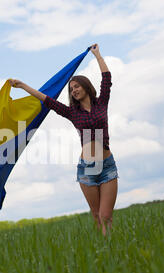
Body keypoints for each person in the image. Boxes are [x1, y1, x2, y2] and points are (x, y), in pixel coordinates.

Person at [9, 44, 118, 236]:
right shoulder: (71, 113)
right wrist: (24, 86)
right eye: (71, 89)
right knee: (96, 216)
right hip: (87, 169)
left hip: (107, 166)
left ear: (85, 86)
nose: (74, 90)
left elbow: (107, 79)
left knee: (106, 215)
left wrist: (97, 55)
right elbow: (47, 100)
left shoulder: (102, 103)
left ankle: (111, 249)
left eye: (77, 86)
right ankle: (104, 251)